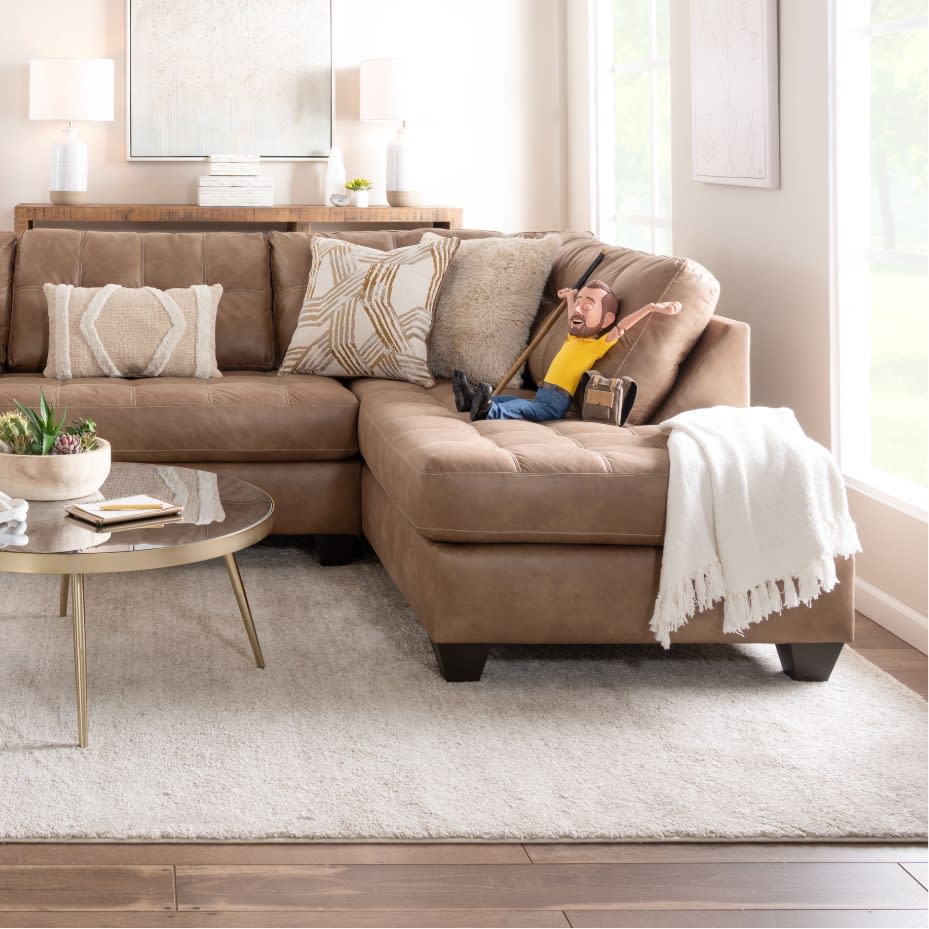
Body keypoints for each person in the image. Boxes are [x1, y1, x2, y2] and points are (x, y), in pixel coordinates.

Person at [453, 280, 681, 423]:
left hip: (555, 403)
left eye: (588, 305)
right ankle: (470, 400)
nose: (579, 309)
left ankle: (487, 413)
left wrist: (652, 308)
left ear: (607, 319)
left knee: (521, 408)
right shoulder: (573, 336)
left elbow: (622, 328)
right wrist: (571, 297)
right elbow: (572, 313)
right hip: (544, 392)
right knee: (508, 398)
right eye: (579, 302)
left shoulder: (596, 345)